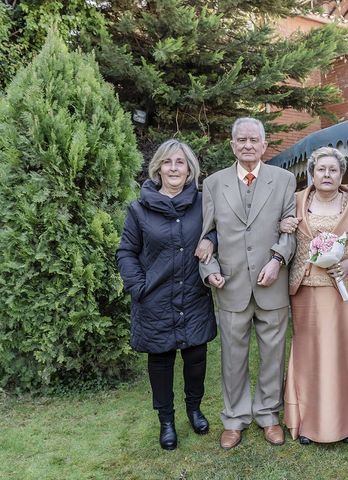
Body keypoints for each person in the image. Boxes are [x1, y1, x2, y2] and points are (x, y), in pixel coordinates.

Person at [199, 117, 296, 450]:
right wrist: (209, 268)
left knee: (273, 354)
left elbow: (290, 230)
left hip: (272, 282)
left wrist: (278, 259)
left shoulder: (284, 180)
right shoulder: (213, 183)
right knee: (232, 356)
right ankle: (235, 418)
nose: (247, 145)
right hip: (231, 283)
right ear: (232, 144)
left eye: (254, 140)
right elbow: (206, 235)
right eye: (241, 140)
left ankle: (269, 415)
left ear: (265, 145)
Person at [279, 147, 348, 445]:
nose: (327, 175)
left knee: (346, 352)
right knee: (309, 354)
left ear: (342, 173)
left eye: (333, 170)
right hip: (307, 290)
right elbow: (281, 233)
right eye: (321, 169)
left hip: (347, 290)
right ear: (312, 173)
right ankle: (308, 421)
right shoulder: (296, 201)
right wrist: (281, 224)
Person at [117, 140, 217, 450]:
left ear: (190, 170)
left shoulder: (203, 203)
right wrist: (139, 287)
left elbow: (219, 229)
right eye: (167, 162)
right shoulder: (138, 208)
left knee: (195, 356)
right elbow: (126, 252)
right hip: (155, 298)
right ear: (158, 167)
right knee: (160, 360)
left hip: (193, 296)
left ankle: (194, 409)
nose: (173, 168)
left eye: (180, 162)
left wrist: (211, 239)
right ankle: (167, 421)